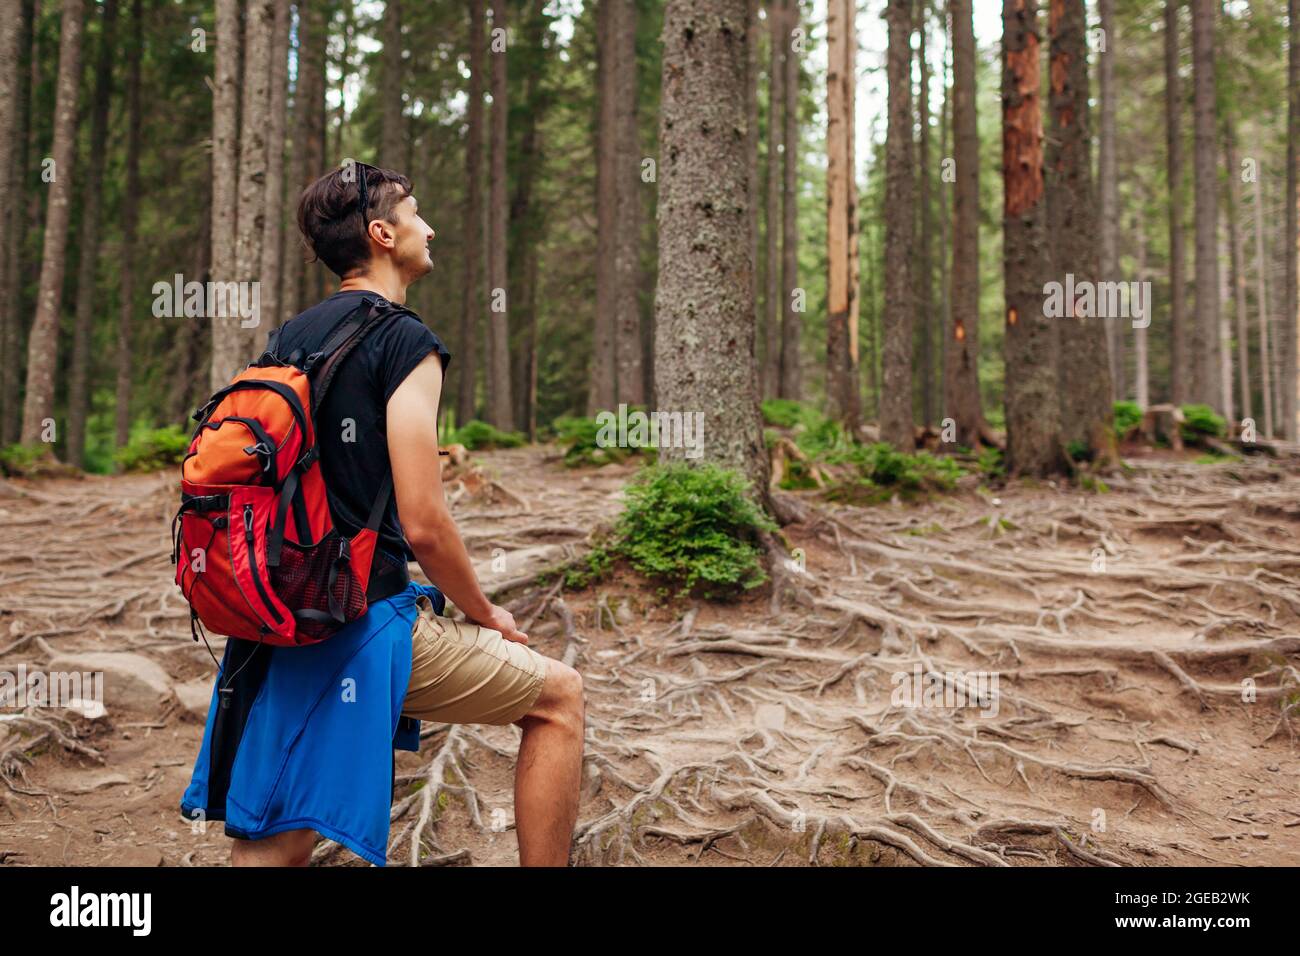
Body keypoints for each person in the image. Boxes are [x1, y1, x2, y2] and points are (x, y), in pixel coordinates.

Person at [179, 161, 585, 867]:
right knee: (559, 697)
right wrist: (489, 615)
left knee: (279, 832)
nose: (429, 228)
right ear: (382, 233)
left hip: (279, 613)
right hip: (357, 619)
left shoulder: (295, 334)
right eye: (417, 214)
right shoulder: (405, 342)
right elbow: (424, 520)